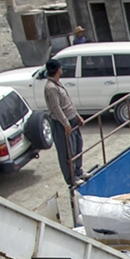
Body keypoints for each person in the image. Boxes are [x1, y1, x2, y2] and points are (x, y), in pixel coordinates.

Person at [42, 60, 85, 189]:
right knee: (67, 152)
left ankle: (78, 171)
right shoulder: (50, 88)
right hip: (62, 123)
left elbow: (68, 102)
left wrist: (77, 116)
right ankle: (71, 178)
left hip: (72, 119)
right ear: (58, 70)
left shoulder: (58, 84)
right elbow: (56, 108)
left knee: (77, 146)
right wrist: (66, 124)